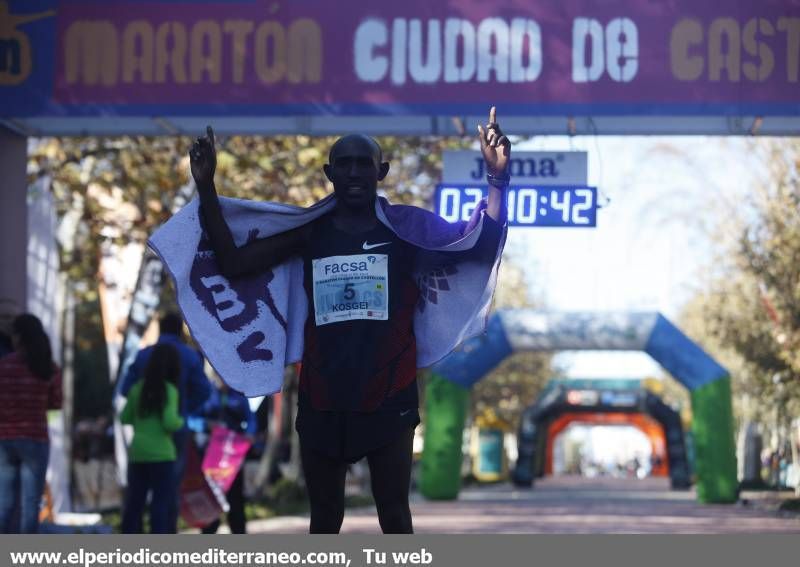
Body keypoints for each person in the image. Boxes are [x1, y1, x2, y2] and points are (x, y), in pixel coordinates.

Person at [186, 107, 510, 533]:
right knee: (324, 520)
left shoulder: (405, 230)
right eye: (345, 163)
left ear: (382, 171)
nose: (355, 171)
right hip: (323, 395)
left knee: (394, 516)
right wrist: (207, 189)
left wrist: (497, 180)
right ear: (329, 172)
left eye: (364, 163)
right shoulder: (310, 232)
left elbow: (479, 243)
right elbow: (232, 262)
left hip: (390, 394)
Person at [118, 312, 212, 532]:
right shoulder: (189, 356)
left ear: (159, 328)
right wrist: (183, 411)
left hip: (141, 440)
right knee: (167, 493)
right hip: (172, 437)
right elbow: (204, 390)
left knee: (135, 497)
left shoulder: (142, 355)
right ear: (180, 330)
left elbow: (125, 390)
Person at [0, 314, 62, 533]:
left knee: (4, 503)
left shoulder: (4, 366)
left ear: (18, 337)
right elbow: (56, 403)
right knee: (30, 504)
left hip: (5, 440)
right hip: (35, 439)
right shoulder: (48, 367)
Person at [120, 343, 184, 533]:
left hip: (138, 453)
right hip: (162, 455)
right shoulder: (170, 391)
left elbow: (124, 417)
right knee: (160, 506)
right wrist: (182, 421)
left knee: (134, 505)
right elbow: (169, 422)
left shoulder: (136, 389)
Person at [194, 382, 256, 534]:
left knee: (235, 503)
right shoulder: (206, 393)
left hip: (232, 458)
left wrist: (250, 433)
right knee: (211, 501)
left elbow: (251, 420)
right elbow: (192, 419)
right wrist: (205, 425)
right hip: (210, 457)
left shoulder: (239, 395)